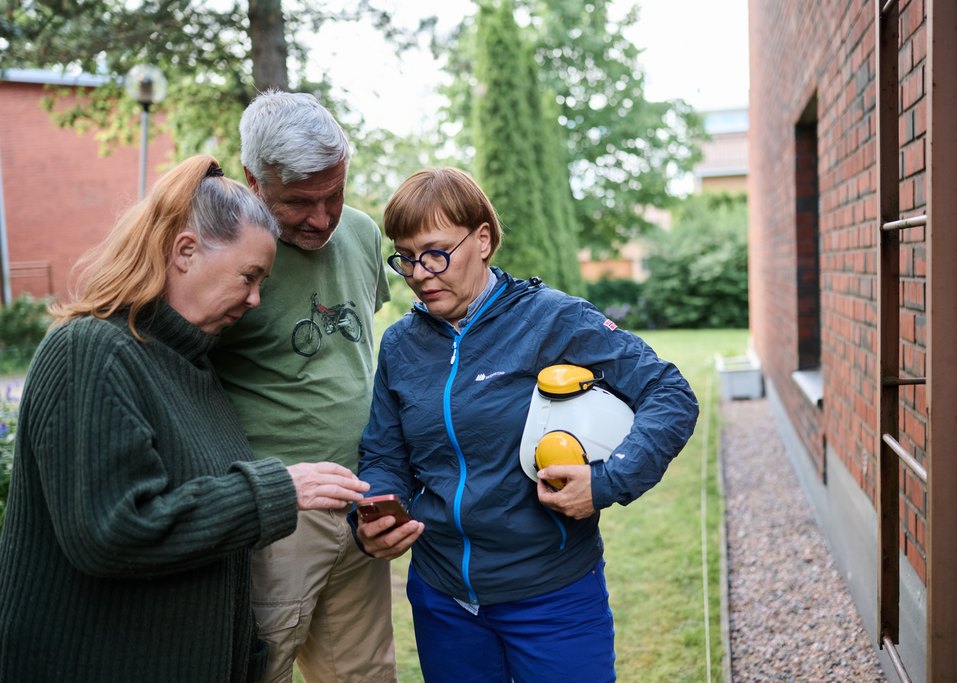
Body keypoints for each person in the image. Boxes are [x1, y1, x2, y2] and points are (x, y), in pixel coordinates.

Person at [0, 155, 370, 682]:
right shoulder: (92, 351)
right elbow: (111, 531)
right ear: (185, 251)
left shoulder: (190, 366)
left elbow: (213, 549)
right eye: (249, 276)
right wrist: (276, 490)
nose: (255, 299)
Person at [355, 167, 700, 682]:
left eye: (435, 253)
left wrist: (609, 481)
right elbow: (385, 454)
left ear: (484, 239)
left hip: (553, 597)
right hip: (444, 600)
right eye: (405, 257)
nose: (420, 273)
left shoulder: (552, 320)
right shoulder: (401, 345)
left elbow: (668, 392)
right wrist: (375, 515)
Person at [209, 91, 395, 683]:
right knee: (260, 665)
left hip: (360, 497)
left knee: (363, 672)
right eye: (298, 202)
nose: (321, 218)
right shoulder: (224, 255)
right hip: (277, 513)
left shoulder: (363, 234)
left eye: (333, 195)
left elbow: (353, 351)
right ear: (252, 180)